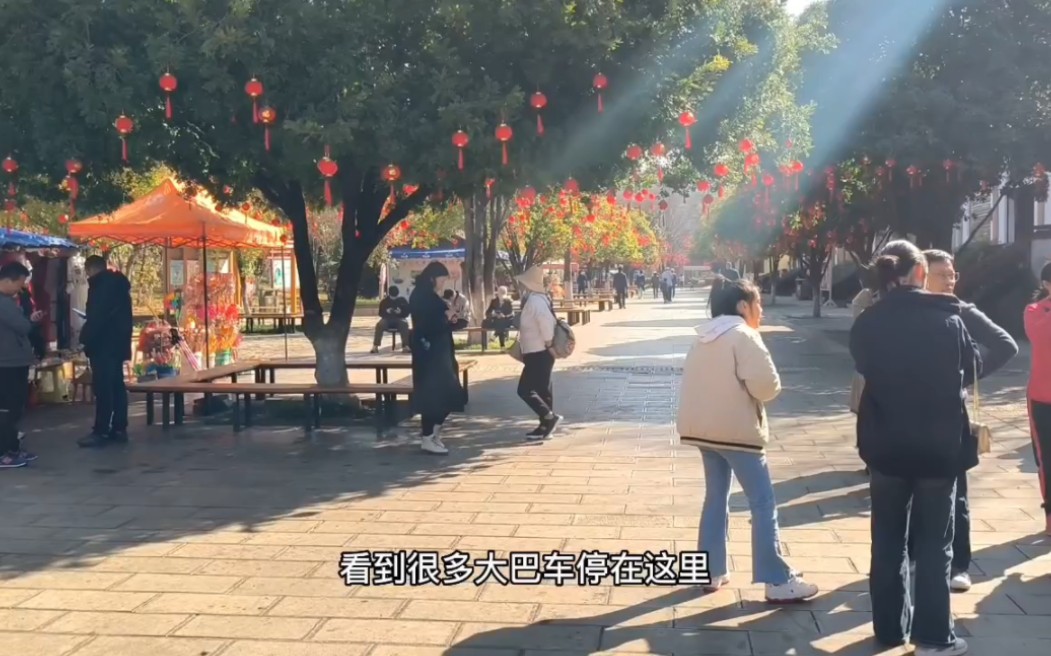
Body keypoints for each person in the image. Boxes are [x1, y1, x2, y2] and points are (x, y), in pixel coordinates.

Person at [850, 240, 978, 656]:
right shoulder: (949, 318)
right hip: (938, 449)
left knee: (887, 540)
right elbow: (972, 365)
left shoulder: (868, 322)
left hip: (885, 447)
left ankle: (889, 630)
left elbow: (864, 367)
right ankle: (934, 638)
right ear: (921, 274)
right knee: (934, 545)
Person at [676, 278, 818, 602]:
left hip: (703, 431)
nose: (762, 310)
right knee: (762, 501)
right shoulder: (743, 336)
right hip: (738, 433)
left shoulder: (703, 336)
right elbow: (767, 387)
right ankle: (777, 579)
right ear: (743, 306)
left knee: (716, 498)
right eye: (758, 303)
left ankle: (710, 571)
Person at [918, 249, 1018, 590]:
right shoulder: (907, 311)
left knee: (955, 492)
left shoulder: (961, 310)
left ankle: (958, 564)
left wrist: (964, 377)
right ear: (921, 276)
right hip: (910, 416)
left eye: (952, 275)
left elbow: (1005, 345)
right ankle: (916, 556)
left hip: (950, 415)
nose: (950, 281)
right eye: (942, 275)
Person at [78, 255, 133, 448]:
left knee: (103, 388)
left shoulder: (100, 287)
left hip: (103, 345)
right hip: (117, 344)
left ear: (91, 269)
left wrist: (85, 339)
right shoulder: (119, 285)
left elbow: (97, 318)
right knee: (117, 385)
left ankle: (100, 430)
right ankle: (119, 427)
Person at [410, 262, 465, 455]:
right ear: (432, 277)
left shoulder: (430, 296)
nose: (444, 283)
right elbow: (427, 326)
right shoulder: (421, 296)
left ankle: (434, 434)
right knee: (435, 395)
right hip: (430, 354)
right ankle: (428, 436)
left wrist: (451, 319)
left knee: (447, 394)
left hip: (439, 351)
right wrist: (447, 318)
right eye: (442, 279)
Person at [0, 262, 43, 469]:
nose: (21, 288)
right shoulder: (3, 303)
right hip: (8, 363)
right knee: (10, 408)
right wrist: (30, 322)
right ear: (7, 280)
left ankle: (12, 448)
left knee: (13, 408)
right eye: (19, 283)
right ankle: (6, 452)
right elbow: (22, 326)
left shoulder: (8, 301)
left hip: (11, 360)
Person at [515, 266, 560, 440]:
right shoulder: (535, 299)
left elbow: (546, 324)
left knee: (525, 389)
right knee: (542, 389)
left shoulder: (536, 301)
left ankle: (548, 417)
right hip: (536, 351)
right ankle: (545, 425)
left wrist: (549, 345)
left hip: (539, 351)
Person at [1023, 261, 1051, 536]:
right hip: (1043, 398)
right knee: (1048, 460)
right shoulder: (1035, 311)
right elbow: (1042, 336)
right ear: (1046, 285)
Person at [371, 286, 411, 354]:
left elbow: (407, 313)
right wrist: (386, 311)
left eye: (395, 297)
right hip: (387, 319)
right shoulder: (384, 302)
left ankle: (405, 346)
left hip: (399, 318)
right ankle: (375, 346)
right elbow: (380, 313)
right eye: (393, 297)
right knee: (379, 325)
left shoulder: (402, 300)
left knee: (404, 324)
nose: (394, 298)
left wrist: (401, 312)